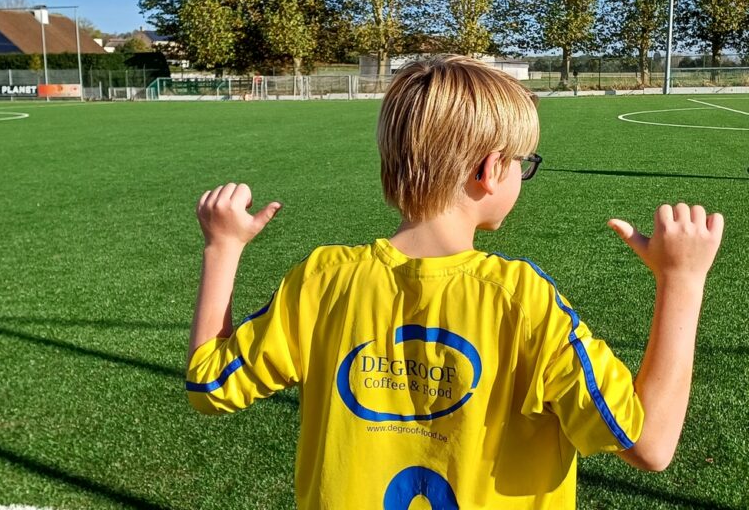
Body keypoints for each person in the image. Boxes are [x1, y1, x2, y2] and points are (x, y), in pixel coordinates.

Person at [186, 55, 724, 509]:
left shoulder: (323, 280)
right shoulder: (522, 300)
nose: (522, 175)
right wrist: (683, 278)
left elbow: (210, 385)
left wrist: (222, 247)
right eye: (524, 164)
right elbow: (650, 445)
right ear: (490, 170)